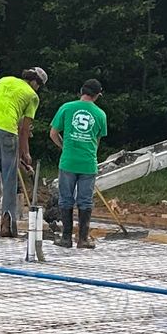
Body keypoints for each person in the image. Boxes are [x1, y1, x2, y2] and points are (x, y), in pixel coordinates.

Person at [0, 66, 48, 237]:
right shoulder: (32, 96)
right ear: (35, 82)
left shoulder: (5, 79)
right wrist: (25, 152)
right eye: (39, 85)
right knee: (9, 180)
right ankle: (7, 226)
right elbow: (24, 129)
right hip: (8, 132)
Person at [48, 79, 107, 249]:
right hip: (88, 163)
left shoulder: (66, 108)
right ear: (97, 95)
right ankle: (82, 239)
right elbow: (97, 141)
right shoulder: (100, 114)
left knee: (66, 199)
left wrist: (64, 146)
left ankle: (66, 238)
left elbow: (53, 133)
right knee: (85, 201)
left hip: (68, 161)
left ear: (81, 90)